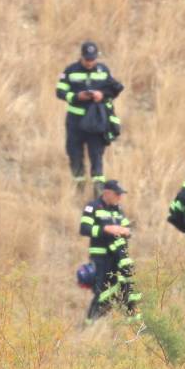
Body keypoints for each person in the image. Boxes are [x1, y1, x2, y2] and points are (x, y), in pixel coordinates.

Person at [55, 41, 123, 189]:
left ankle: (98, 189)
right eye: (87, 59)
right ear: (81, 56)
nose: (90, 62)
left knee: (96, 155)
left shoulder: (103, 70)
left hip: (96, 121)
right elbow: (60, 92)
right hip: (75, 122)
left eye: (92, 59)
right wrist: (76, 97)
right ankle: (79, 186)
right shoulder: (70, 71)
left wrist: (102, 94)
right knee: (74, 153)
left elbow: (115, 89)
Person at [80, 179, 139, 320]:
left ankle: (125, 319)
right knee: (101, 290)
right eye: (117, 194)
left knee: (122, 286)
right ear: (107, 193)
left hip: (116, 256)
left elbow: (128, 229)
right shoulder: (93, 207)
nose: (120, 197)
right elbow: (84, 229)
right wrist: (106, 229)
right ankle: (91, 323)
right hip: (100, 257)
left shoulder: (118, 210)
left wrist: (126, 231)